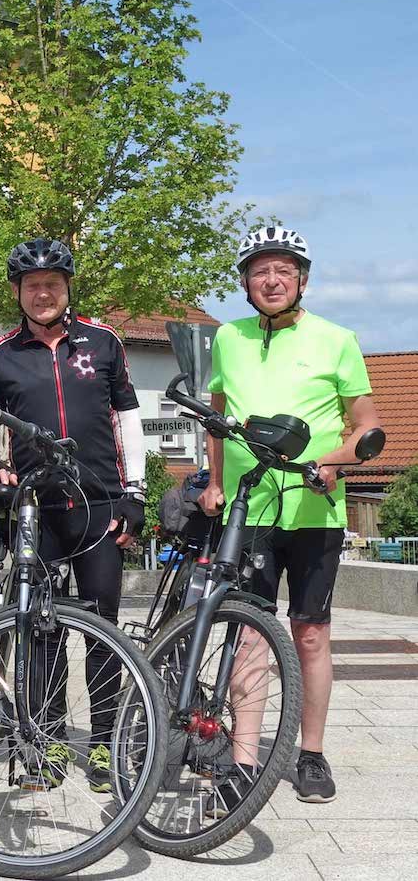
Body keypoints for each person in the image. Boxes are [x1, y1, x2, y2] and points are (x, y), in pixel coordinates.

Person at [199, 226, 380, 805]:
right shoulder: (228, 337)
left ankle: (311, 753)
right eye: (259, 272)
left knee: (309, 633)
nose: (271, 281)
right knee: (248, 632)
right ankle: (245, 759)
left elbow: (369, 426)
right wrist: (217, 483)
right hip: (249, 507)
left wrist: (334, 459)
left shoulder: (337, 339)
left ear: (302, 280)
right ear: (246, 284)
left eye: (282, 271)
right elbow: (217, 417)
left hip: (314, 507)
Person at [0, 237, 146, 792]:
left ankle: (102, 744)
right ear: (18, 293)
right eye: (31, 285)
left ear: (67, 289)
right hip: (35, 510)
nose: (42, 293)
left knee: (101, 628)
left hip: (98, 505)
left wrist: (134, 496)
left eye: (52, 284)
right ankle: (42, 743)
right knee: (39, 629)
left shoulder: (104, 342)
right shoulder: (1, 354)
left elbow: (129, 419)